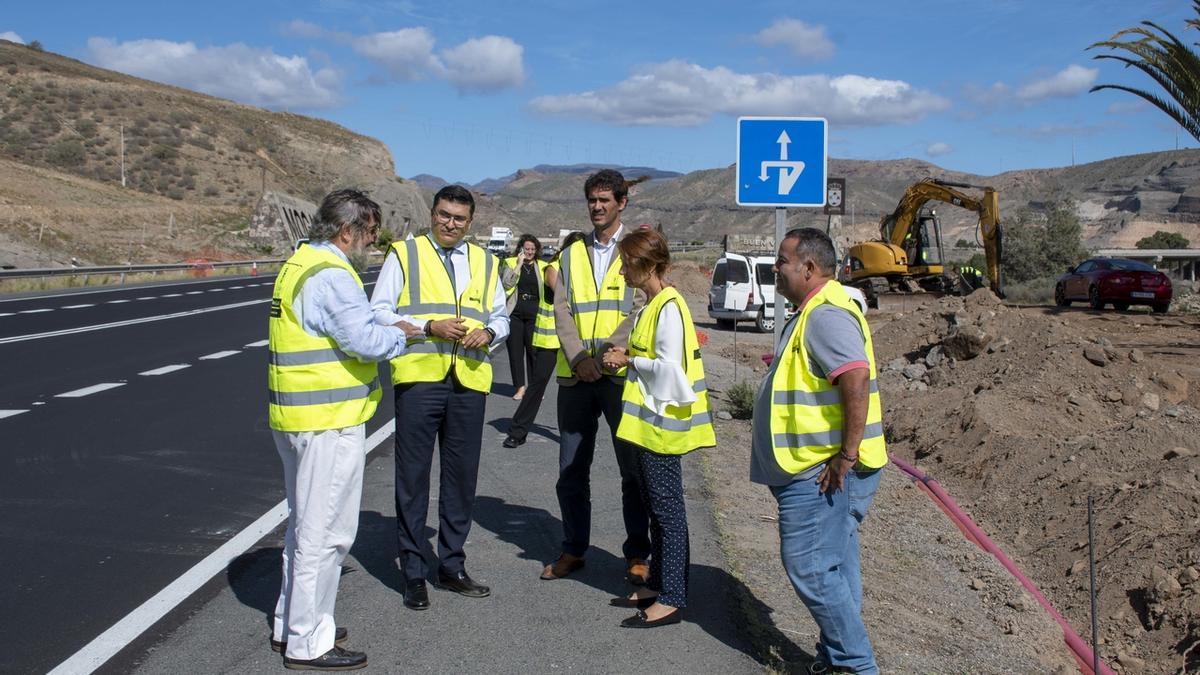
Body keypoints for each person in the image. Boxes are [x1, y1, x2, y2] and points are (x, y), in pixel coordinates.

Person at [268, 189, 419, 671]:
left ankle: (291, 623)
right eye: (371, 232)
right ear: (347, 230)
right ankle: (309, 641)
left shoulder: (300, 263)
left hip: (296, 417)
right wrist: (404, 335)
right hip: (328, 421)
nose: (372, 241)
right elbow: (364, 340)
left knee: (301, 527)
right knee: (326, 532)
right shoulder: (334, 274)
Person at [750, 228, 889, 674]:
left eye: (781, 261)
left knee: (810, 567)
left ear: (808, 268)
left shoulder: (826, 315)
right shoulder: (813, 312)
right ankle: (836, 660)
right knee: (834, 565)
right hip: (823, 466)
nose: (775, 268)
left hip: (822, 470)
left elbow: (855, 378)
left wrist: (845, 455)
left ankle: (854, 665)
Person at [369, 185, 509, 611]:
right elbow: (378, 311)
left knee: (461, 480)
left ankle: (451, 566)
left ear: (471, 223)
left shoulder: (486, 262)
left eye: (459, 218)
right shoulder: (405, 254)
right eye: (444, 215)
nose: (451, 223)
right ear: (432, 214)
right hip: (420, 380)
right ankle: (413, 573)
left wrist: (492, 333)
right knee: (412, 478)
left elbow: (500, 315)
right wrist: (429, 326)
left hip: (468, 381)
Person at [541, 169, 651, 585]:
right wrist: (578, 357)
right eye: (592, 200)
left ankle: (637, 554)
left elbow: (640, 307)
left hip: (618, 377)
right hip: (576, 377)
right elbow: (561, 309)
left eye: (605, 200)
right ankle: (573, 548)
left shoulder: (635, 252)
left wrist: (605, 356)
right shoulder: (570, 254)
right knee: (571, 468)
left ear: (622, 203)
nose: (598, 207)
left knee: (632, 470)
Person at [601, 229, 716, 628]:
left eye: (625, 263)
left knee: (668, 514)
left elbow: (671, 369)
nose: (620, 269)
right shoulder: (651, 305)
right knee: (655, 510)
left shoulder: (669, 306)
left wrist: (629, 361)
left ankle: (672, 597)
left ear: (646, 265)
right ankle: (659, 583)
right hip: (648, 427)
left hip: (662, 429)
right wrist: (630, 354)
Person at [503, 231, 586, 448]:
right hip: (551, 338)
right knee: (537, 386)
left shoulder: (585, 269)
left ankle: (576, 434)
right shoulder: (554, 266)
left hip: (578, 337)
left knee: (581, 390)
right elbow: (562, 292)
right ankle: (517, 431)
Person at [502, 234, 545, 402]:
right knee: (515, 352)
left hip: (535, 314)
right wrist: (519, 264)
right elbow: (507, 284)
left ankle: (535, 389)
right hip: (516, 314)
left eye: (533, 249)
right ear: (521, 248)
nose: (530, 252)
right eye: (527, 249)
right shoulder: (511, 263)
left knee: (534, 353)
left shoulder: (542, 266)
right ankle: (520, 388)